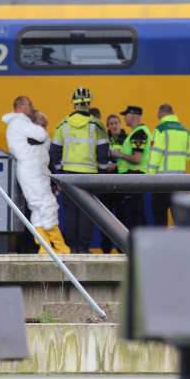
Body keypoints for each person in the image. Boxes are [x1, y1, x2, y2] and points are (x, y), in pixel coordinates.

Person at [2, 96, 70, 254]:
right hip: (32, 171)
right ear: (20, 106)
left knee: (38, 209)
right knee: (47, 204)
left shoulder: (23, 123)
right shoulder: (20, 121)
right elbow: (40, 135)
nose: (32, 107)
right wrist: (42, 130)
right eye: (29, 104)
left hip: (37, 171)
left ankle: (44, 247)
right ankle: (59, 246)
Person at [50, 87, 109, 254]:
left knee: (71, 212)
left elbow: (55, 151)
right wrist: (102, 174)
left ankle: (72, 248)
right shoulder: (97, 125)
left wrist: (61, 171)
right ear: (89, 104)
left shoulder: (63, 124)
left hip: (69, 175)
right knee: (87, 213)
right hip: (90, 175)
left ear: (74, 105)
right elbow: (103, 152)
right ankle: (83, 248)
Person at [147, 103, 190, 227]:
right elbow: (187, 156)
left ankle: (162, 246)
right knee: (182, 222)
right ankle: (183, 246)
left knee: (160, 219)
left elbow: (155, 156)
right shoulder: (186, 131)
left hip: (162, 183)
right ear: (173, 113)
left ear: (160, 113)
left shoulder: (160, 129)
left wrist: (148, 177)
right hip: (181, 182)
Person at [109, 106, 151, 229]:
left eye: (125, 115)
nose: (124, 117)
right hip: (135, 177)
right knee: (139, 215)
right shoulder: (138, 132)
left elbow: (137, 159)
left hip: (133, 177)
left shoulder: (138, 134)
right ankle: (144, 246)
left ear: (132, 116)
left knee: (133, 217)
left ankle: (135, 247)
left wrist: (119, 154)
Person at [99, 114, 128, 254]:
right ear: (108, 127)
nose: (114, 125)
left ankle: (121, 247)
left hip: (120, 182)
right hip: (105, 182)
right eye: (111, 123)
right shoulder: (104, 140)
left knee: (122, 216)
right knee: (106, 217)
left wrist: (117, 166)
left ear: (120, 124)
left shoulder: (127, 139)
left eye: (116, 122)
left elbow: (130, 158)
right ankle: (106, 248)